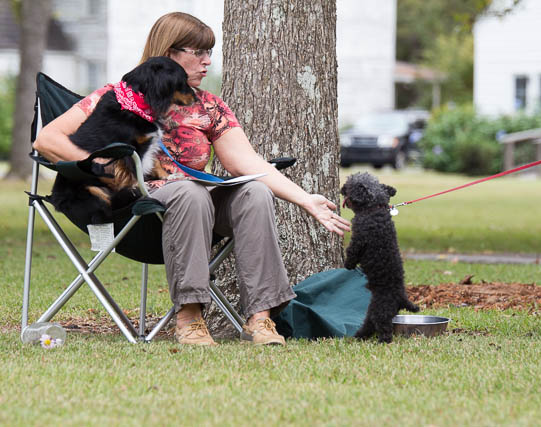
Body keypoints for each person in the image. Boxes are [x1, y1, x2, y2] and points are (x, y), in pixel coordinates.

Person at [33, 12, 350, 346]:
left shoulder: (210, 106)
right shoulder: (117, 97)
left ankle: (261, 319)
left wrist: (304, 199)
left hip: (201, 214)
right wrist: (99, 164)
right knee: (188, 192)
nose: (207, 61)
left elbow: (246, 161)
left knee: (254, 192)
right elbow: (47, 139)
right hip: (137, 214)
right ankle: (189, 318)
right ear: (169, 53)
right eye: (198, 52)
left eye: (209, 52)